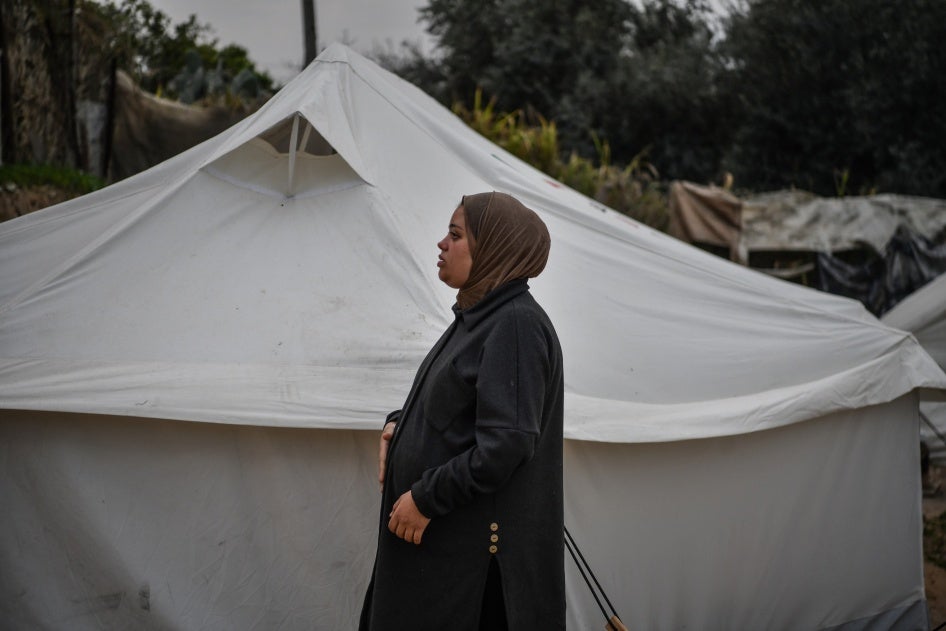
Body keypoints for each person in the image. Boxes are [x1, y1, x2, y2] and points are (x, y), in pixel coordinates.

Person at [359, 192, 565, 630]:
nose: (441, 244)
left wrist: (426, 497)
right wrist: (399, 426)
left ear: (493, 249)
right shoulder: (478, 319)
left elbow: (507, 443)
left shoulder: (515, 324)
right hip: (440, 561)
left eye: (455, 235)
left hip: (470, 575)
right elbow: (453, 409)